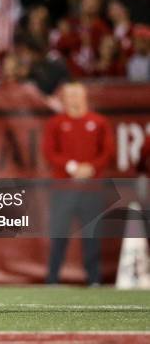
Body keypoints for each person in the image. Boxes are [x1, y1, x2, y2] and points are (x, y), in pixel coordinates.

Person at [42, 82, 115, 285]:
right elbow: (49, 152)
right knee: (59, 234)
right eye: (70, 95)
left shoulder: (98, 122)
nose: (73, 98)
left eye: (77, 94)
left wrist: (91, 167)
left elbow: (107, 150)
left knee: (92, 235)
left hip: (91, 188)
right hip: (63, 189)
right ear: (64, 98)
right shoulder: (56, 123)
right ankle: (52, 279)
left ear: (85, 97)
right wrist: (72, 167)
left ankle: (93, 279)